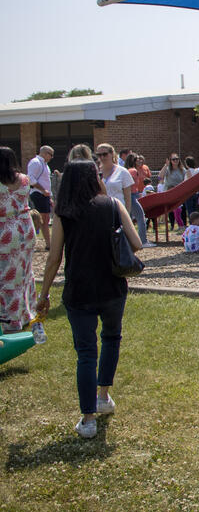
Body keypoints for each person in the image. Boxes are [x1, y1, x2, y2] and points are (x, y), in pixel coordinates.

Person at [36, 160, 142, 439]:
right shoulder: (112, 205)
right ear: (95, 178)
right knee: (111, 338)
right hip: (112, 286)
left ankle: (88, 419)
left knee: (85, 353)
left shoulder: (64, 212)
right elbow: (137, 243)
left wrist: (44, 294)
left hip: (79, 290)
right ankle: (103, 396)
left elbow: (54, 258)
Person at [0, 147, 38, 334]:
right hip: (25, 227)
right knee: (24, 273)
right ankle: (26, 313)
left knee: (6, 277)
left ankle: (9, 319)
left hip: (5, 230)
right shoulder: (24, 179)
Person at [26, 145, 53, 250]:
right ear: (45, 153)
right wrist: (43, 190)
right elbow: (31, 178)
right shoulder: (35, 162)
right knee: (41, 219)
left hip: (44, 195)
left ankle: (48, 243)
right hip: (38, 193)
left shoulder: (45, 165)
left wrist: (49, 196)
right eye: (51, 155)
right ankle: (46, 244)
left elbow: (46, 181)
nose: (51, 157)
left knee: (45, 219)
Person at [125, 153, 155, 248]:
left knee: (129, 219)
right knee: (141, 218)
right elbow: (130, 185)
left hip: (131, 195)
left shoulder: (127, 170)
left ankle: (129, 241)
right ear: (133, 161)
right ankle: (143, 241)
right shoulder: (133, 171)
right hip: (132, 196)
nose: (140, 161)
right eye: (137, 159)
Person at [96, 144, 135, 213]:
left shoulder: (122, 171)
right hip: (100, 212)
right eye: (99, 155)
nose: (102, 157)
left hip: (118, 211)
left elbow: (128, 198)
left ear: (112, 154)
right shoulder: (95, 172)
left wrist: (127, 214)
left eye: (105, 154)